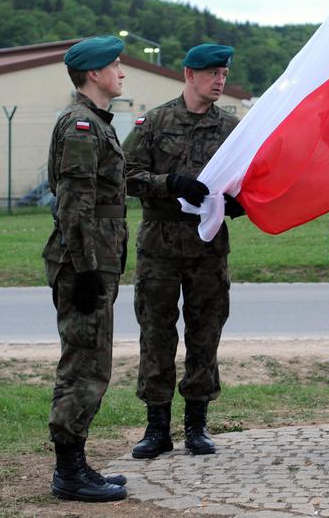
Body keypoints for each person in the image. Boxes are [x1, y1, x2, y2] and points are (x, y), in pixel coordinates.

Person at [122, 43, 244, 459]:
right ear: (189, 75)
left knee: (205, 332)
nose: (220, 81)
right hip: (160, 243)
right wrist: (169, 183)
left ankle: (197, 424)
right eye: (212, 73)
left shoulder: (231, 128)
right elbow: (126, 175)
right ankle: (157, 427)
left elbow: (250, 176)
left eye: (224, 73)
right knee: (156, 333)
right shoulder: (154, 123)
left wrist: (241, 203)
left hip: (208, 245)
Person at [42, 35, 129, 502]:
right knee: (84, 365)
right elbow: (75, 204)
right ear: (93, 74)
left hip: (95, 259)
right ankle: (69, 473)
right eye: (114, 65)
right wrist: (87, 268)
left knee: (92, 362)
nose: (122, 72)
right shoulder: (80, 123)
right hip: (85, 263)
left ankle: (76, 465)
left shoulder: (96, 122)